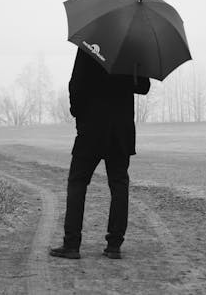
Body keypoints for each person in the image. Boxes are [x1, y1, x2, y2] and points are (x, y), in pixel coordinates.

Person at [49, 48, 150, 259]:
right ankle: (114, 245)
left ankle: (72, 245)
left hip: (91, 127)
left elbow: (75, 84)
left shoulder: (89, 44)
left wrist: (79, 115)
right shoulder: (133, 48)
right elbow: (143, 86)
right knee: (119, 184)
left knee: (77, 182)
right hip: (120, 130)